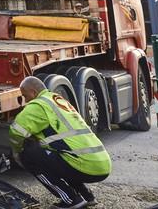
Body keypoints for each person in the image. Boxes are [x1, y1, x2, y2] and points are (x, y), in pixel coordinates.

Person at [9, 76, 111, 209]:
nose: (25, 100)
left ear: (34, 92)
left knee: (28, 155)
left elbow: (16, 131)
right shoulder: (57, 100)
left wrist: (16, 151)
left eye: (25, 96)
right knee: (62, 155)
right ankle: (87, 196)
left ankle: (71, 200)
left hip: (85, 165)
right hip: (100, 164)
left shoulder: (38, 105)